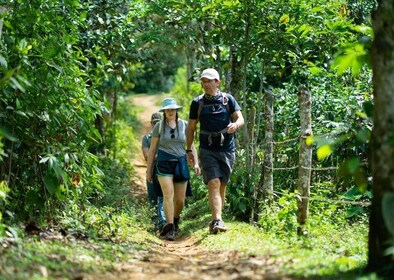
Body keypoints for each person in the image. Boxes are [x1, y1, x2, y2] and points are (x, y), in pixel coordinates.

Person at [186, 68, 244, 234]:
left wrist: (235, 125)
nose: (205, 84)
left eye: (208, 81)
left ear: (217, 82)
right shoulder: (197, 102)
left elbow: (240, 118)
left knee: (222, 186)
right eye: (203, 81)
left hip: (227, 148)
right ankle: (217, 219)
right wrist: (189, 149)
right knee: (213, 183)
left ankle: (217, 218)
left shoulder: (228, 100)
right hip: (207, 149)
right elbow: (191, 128)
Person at [146, 98, 200, 241]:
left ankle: (175, 221)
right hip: (164, 162)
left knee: (180, 201)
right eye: (167, 109)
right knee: (168, 195)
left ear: (176, 110)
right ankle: (169, 227)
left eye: (172, 109)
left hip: (180, 162)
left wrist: (196, 163)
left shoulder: (184, 125)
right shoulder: (158, 127)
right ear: (164, 111)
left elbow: (191, 146)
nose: (170, 111)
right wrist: (148, 170)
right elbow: (152, 150)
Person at [142, 112, 166, 231]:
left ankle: (164, 222)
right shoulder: (147, 138)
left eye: (158, 123)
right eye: (154, 123)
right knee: (152, 198)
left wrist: (155, 155)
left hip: (164, 170)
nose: (156, 125)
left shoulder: (166, 137)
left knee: (163, 197)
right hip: (151, 170)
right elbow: (147, 156)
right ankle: (155, 223)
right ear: (151, 124)